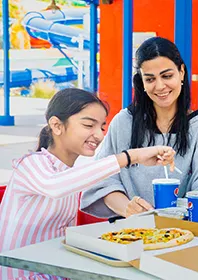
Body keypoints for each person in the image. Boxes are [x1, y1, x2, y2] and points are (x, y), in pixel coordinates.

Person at [0, 88, 175, 280]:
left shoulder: (72, 175)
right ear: (57, 126)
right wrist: (130, 156)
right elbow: (55, 186)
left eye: (101, 127)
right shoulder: (31, 164)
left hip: (53, 273)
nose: (99, 136)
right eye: (88, 125)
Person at [81, 37, 198, 218]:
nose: (160, 86)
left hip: (184, 231)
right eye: (150, 79)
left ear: (182, 72)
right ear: (142, 82)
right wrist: (128, 209)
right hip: (130, 232)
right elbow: (103, 180)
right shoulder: (124, 122)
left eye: (167, 76)